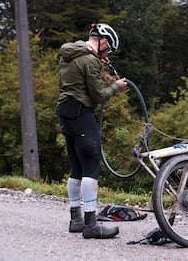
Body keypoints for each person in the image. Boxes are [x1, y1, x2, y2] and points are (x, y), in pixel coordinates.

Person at [55, 23, 127, 239]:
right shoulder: (91, 60)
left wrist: (99, 62)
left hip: (65, 113)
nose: (108, 53)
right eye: (109, 48)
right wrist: (116, 86)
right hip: (81, 113)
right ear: (103, 41)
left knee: (76, 168)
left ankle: (75, 220)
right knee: (91, 166)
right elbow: (98, 95)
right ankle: (91, 225)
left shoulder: (69, 53)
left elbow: (78, 77)